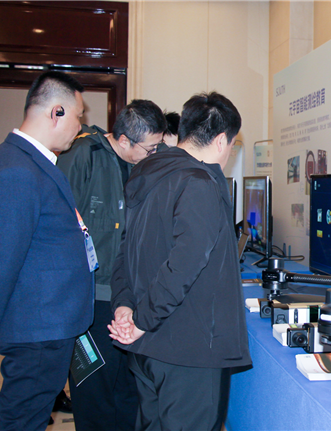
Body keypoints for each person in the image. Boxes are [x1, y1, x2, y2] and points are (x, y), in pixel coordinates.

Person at [109, 92, 252, 431]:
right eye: (232, 145)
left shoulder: (146, 174)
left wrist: (125, 307)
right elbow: (183, 267)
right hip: (188, 352)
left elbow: (125, 251)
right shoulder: (199, 183)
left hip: (148, 348)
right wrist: (141, 319)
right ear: (221, 141)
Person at [0, 71, 94, 431]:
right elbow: (5, 256)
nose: (80, 126)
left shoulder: (34, 162)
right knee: (22, 422)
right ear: (56, 111)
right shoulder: (17, 169)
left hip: (47, 322)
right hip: (37, 327)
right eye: (78, 115)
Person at [57, 99, 167, 431]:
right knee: (94, 391)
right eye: (150, 148)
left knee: (129, 389)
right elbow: (59, 227)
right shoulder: (83, 156)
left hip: (130, 297)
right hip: (91, 298)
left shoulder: (143, 165)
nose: (154, 153)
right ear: (123, 140)